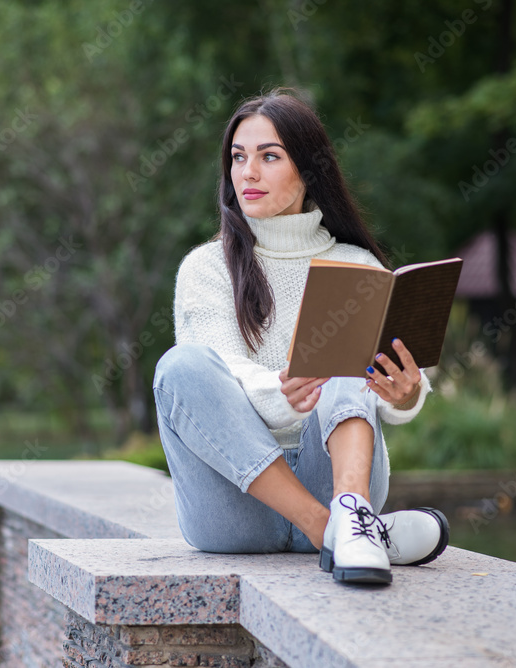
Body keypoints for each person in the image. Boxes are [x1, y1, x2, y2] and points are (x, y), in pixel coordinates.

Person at [152, 89, 448, 585]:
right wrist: (283, 391)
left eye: (269, 157)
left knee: (345, 354)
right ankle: (335, 530)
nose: (247, 173)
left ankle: (351, 513)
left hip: (331, 476)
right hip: (233, 506)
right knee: (179, 367)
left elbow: (379, 383)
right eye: (238, 157)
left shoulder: (358, 266)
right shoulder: (206, 267)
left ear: (309, 172)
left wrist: (407, 392)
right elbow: (217, 375)